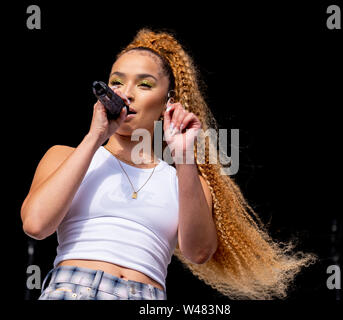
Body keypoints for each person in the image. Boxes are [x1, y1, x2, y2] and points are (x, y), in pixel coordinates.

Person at [21, 29, 316, 300]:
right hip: (73, 288)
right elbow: (36, 224)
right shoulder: (64, 156)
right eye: (117, 82)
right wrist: (95, 137)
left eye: (145, 84)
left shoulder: (186, 182)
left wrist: (184, 156)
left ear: (167, 102)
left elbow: (199, 252)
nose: (127, 92)